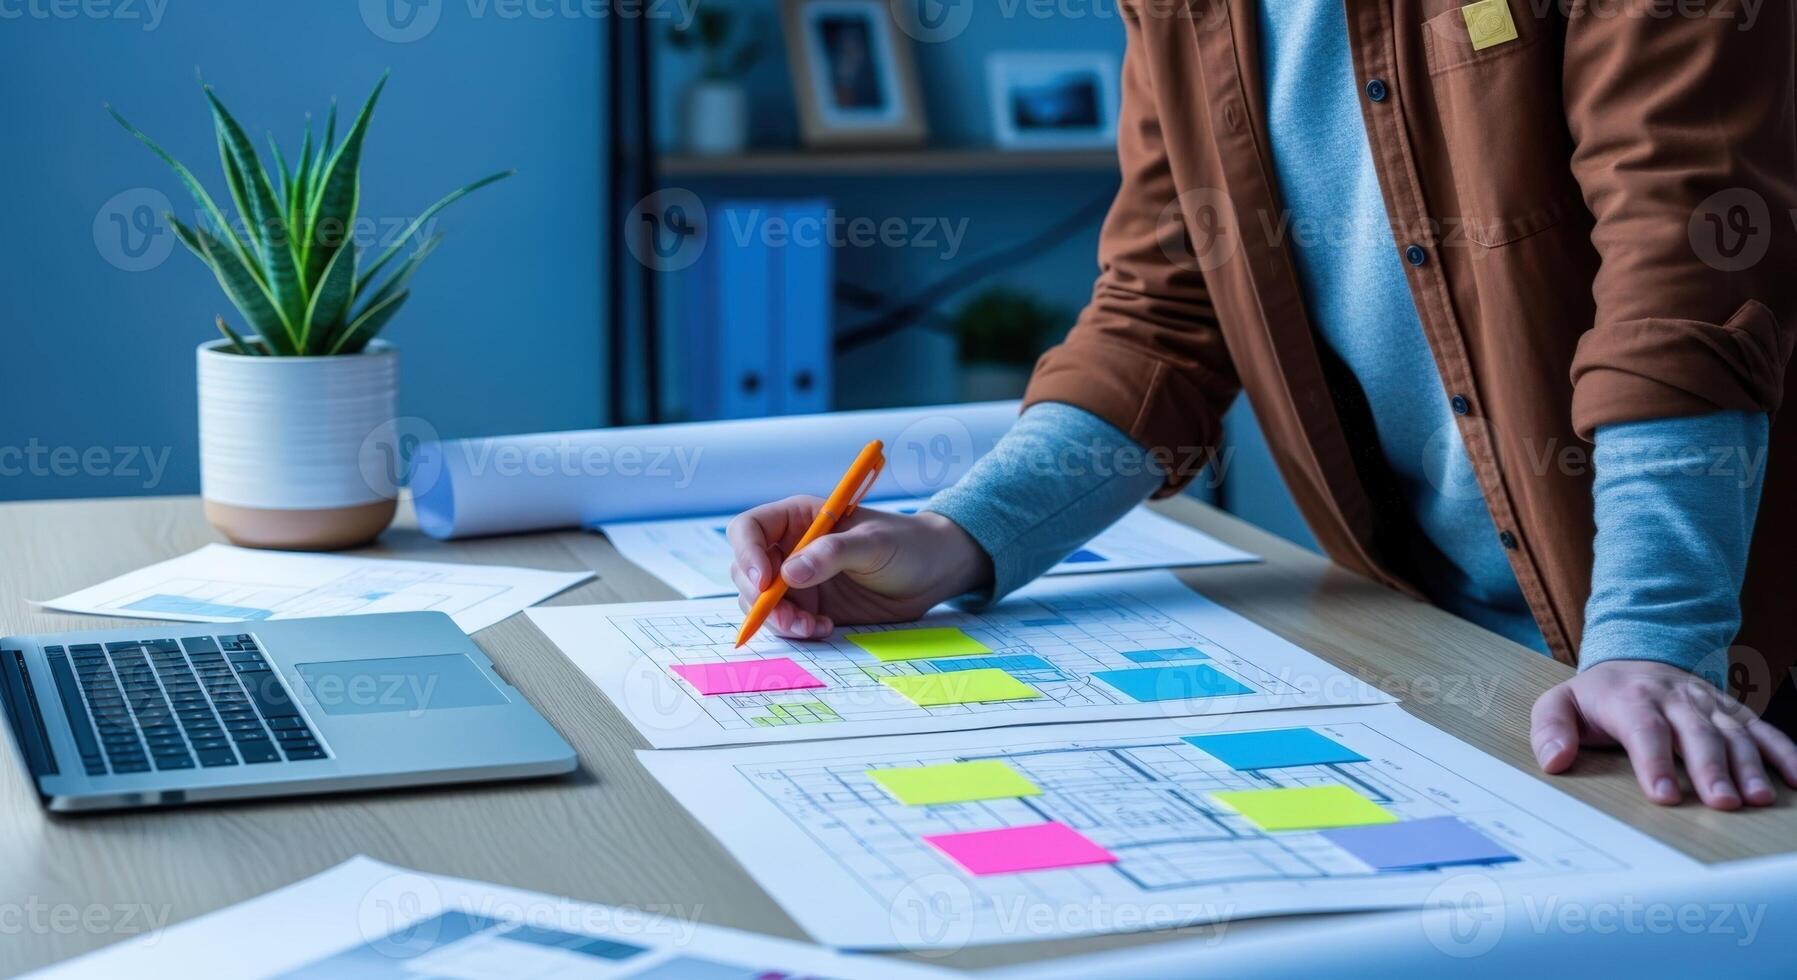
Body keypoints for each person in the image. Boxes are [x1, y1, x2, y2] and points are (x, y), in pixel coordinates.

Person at [729, 0, 1797, 811]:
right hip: (1470, 655)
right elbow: (1163, 312)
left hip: (1717, 651)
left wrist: (1654, 634)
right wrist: (953, 535)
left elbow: (1685, 267)